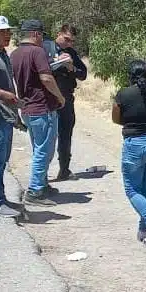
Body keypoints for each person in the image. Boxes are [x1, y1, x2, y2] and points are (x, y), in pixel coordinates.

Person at [10, 20, 66, 207]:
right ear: (35, 34)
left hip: (27, 108)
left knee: (39, 148)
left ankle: (41, 184)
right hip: (42, 109)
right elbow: (46, 78)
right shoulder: (38, 52)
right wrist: (60, 97)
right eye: (41, 35)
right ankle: (34, 190)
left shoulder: (15, 54)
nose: (43, 39)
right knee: (44, 150)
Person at [112, 60, 146, 244]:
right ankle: (144, 230)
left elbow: (116, 119)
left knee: (132, 189)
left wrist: (131, 123)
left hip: (136, 144)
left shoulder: (123, 94)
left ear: (131, 75)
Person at [0, 16, 21, 218]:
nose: (7, 34)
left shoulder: (3, 53)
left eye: (8, 31)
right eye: (3, 31)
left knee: (2, 160)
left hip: (5, 115)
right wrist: (1, 93)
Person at [51, 24, 87, 181]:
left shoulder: (71, 53)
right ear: (58, 34)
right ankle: (40, 176)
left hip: (66, 99)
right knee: (47, 136)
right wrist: (55, 63)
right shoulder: (46, 48)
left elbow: (83, 74)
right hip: (49, 98)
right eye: (66, 39)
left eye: (72, 41)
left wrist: (71, 67)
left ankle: (64, 169)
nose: (69, 43)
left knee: (66, 133)